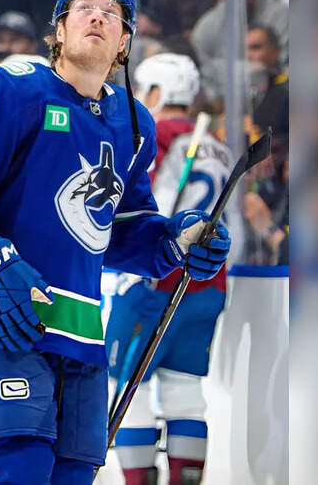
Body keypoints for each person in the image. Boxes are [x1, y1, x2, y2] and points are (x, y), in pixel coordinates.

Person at [0, 0, 232, 483]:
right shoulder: (10, 85)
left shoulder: (133, 123)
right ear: (59, 29)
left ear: (125, 42)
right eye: (83, 6)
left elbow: (122, 230)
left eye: (113, 14)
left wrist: (176, 241)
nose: (98, 16)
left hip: (80, 327)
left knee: (73, 475)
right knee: (19, 468)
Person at [105, 53, 233, 484]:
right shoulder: (217, 144)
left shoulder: (152, 135)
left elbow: (144, 209)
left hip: (156, 284)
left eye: (141, 90)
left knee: (127, 386)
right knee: (184, 391)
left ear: (156, 93)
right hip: (210, 284)